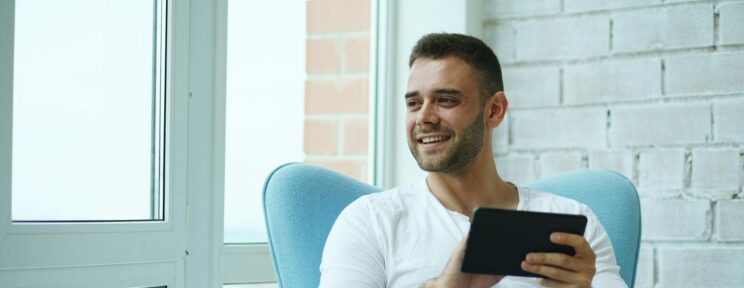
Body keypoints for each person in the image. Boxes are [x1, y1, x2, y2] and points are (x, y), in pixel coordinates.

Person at [319, 33, 627, 288]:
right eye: (414, 103)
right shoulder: (368, 223)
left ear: (494, 110)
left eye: (445, 100)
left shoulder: (573, 225)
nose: (424, 117)